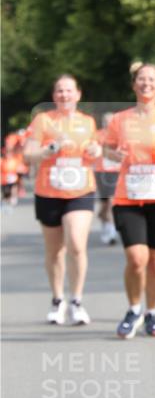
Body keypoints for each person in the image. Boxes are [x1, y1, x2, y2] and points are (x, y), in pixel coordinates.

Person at [103, 62, 155, 339]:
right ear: (134, 85)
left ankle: (152, 313)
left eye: (151, 80)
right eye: (141, 79)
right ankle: (133, 308)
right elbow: (107, 149)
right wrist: (116, 155)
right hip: (128, 196)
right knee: (136, 258)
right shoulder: (120, 119)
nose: (146, 84)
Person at [22, 75, 101, 325]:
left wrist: (95, 151)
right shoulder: (43, 121)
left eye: (69, 90)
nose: (64, 95)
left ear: (78, 94)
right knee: (55, 251)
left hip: (80, 191)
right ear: (54, 96)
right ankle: (58, 300)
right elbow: (28, 156)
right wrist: (50, 149)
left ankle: (76, 300)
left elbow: (96, 150)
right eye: (59, 91)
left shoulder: (87, 122)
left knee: (77, 244)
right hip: (49, 191)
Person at [94, 111, 120, 245]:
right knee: (104, 203)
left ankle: (111, 231)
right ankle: (104, 220)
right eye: (106, 120)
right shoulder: (98, 135)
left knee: (111, 201)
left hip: (116, 171)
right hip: (101, 171)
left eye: (111, 120)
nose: (108, 123)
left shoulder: (120, 135)